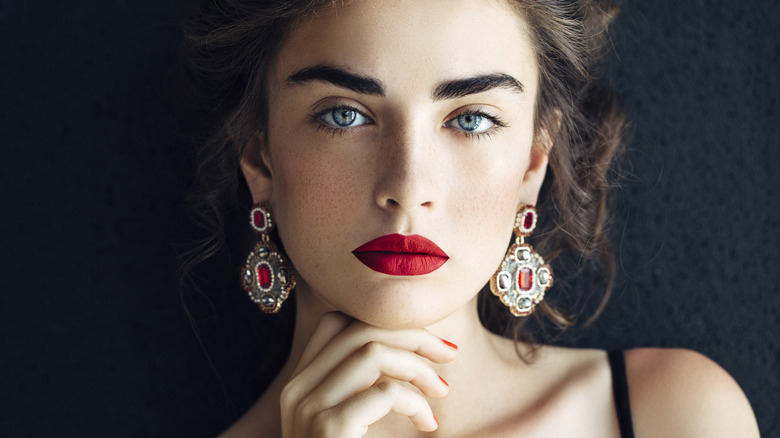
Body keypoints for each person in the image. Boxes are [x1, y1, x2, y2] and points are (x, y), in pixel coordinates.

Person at [180, 0, 760, 436]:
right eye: (344, 116)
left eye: (472, 120)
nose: (407, 190)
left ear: (533, 164)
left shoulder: (679, 415)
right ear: (259, 157)